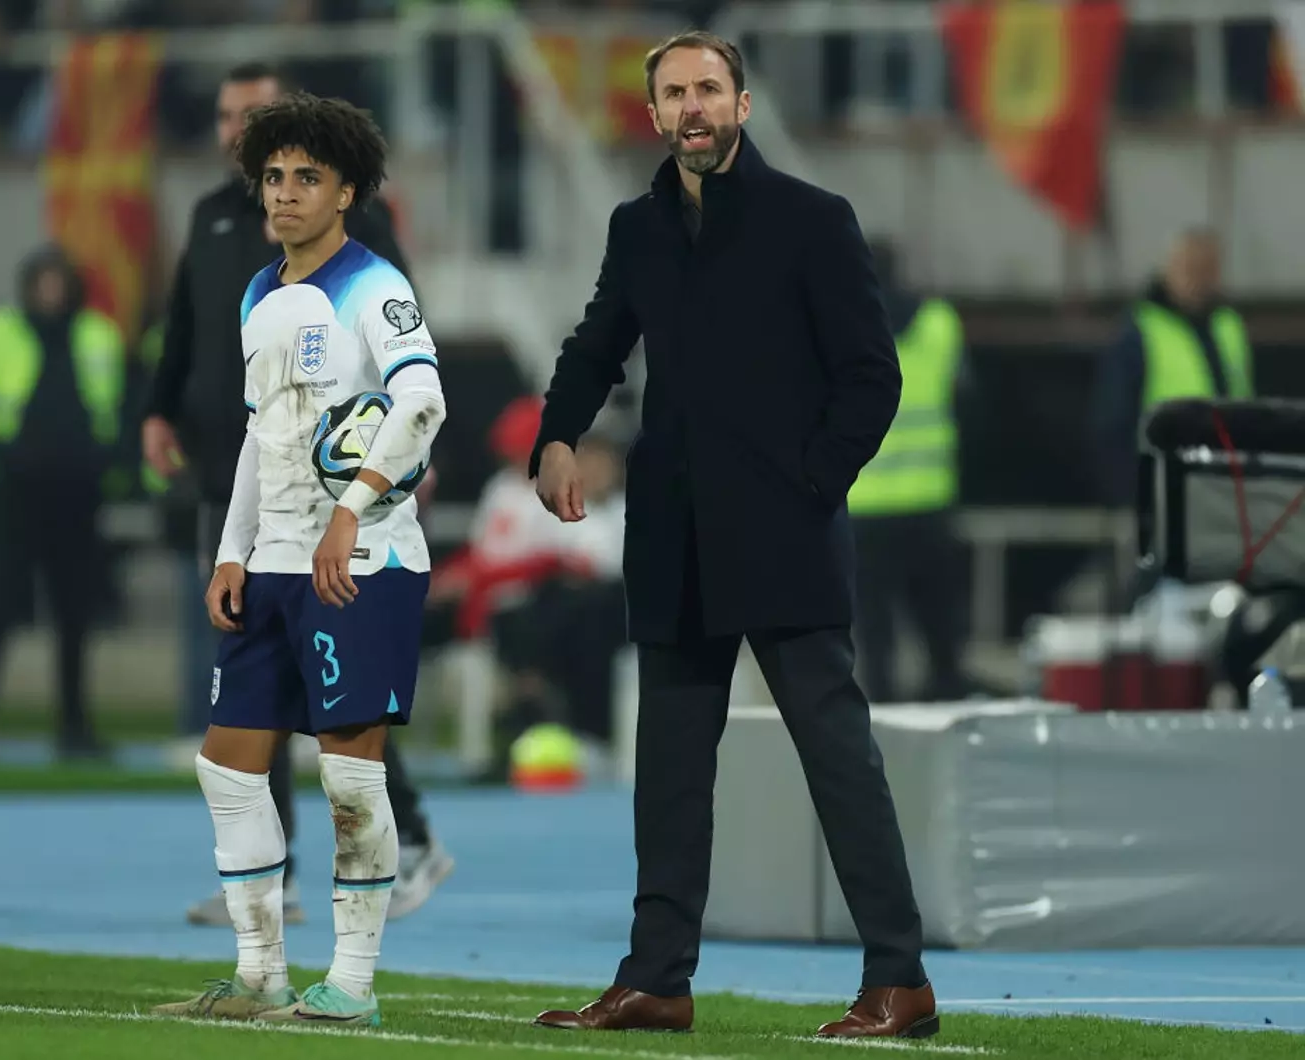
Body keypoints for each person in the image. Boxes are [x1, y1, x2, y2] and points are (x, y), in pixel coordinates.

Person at [528, 31, 937, 1040]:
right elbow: (596, 344)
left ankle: (900, 979)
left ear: (742, 105)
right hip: (673, 539)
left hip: (785, 536)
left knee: (839, 760)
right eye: (674, 93)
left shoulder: (813, 220)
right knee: (668, 778)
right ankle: (656, 979)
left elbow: (870, 377)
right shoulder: (638, 227)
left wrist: (809, 486)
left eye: (710, 88)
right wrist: (555, 435)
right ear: (656, 114)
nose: (693, 106)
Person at [152, 91, 447, 1026]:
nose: (284, 194)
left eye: (305, 178)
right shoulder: (256, 292)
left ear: (346, 189)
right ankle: (258, 975)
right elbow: (260, 433)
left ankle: (352, 985)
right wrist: (231, 550)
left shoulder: (378, 287)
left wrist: (350, 513)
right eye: (273, 177)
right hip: (271, 563)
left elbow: (423, 404)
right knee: (229, 767)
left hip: (362, 564)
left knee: (350, 776)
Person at [0, 247, 123, 760]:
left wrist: (102, 460)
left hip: (75, 492)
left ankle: (74, 728)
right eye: (43, 283)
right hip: (15, 491)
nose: (51, 293)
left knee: (73, 615)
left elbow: (120, 403)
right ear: (27, 286)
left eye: (59, 283)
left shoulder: (98, 334)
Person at [849, 240, 970, 704]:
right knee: (942, 639)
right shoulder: (940, 325)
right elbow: (970, 407)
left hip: (864, 509)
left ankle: (885, 753)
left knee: (877, 648)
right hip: (930, 504)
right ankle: (952, 731)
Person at [1092, 227, 1253, 508]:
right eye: (1191, 268)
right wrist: (1131, 495)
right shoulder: (1141, 329)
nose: (1200, 279)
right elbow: (1113, 422)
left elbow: (1248, 406)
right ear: (1170, 268)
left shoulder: (1229, 325)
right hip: (1164, 488)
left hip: (1225, 492)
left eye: (1208, 269)